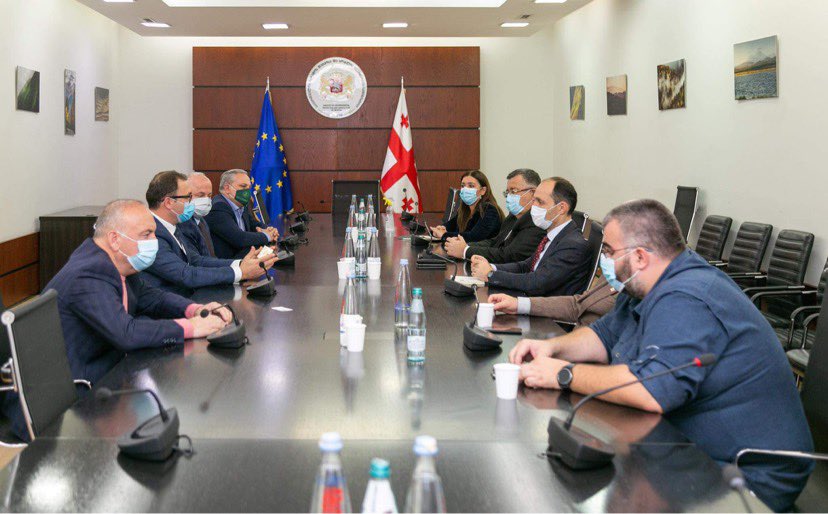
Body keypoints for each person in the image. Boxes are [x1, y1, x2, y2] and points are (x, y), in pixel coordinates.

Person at [508, 199, 813, 512]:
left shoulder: (687, 297)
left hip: (743, 473)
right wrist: (553, 348)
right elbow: (604, 335)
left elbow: (650, 389)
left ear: (640, 256)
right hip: (681, 444)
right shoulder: (645, 283)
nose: (604, 260)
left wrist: (564, 373)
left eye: (609, 251)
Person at [45, 199, 231, 383]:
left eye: (154, 233)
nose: (154, 241)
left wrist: (196, 309)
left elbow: (153, 298)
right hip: (84, 385)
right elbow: (126, 333)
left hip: (115, 366)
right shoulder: (89, 273)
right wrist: (192, 327)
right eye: (146, 234)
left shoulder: (119, 263)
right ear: (115, 239)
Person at [142, 170, 276, 295]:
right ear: (169, 202)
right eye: (188, 197)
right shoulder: (151, 234)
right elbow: (186, 275)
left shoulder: (173, 226)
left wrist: (241, 264)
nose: (191, 202)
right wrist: (241, 272)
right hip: (170, 303)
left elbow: (197, 260)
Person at [469, 177, 592, 297]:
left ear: (561, 208)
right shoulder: (553, 234)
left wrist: (490, 275)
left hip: (543, 307)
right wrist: (491, 267)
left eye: (540, 202)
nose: (534, 206)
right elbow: (526, 266)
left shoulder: (573, 244)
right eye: (534, 200)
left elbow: (537, 283)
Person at [444, 168, 545, 264]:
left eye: (513, 191)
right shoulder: (512, 217)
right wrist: (465, 245)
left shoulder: (536, 222)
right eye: (508, 192)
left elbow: (508, 255)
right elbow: (495, 242)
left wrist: (466, 250)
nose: (509, 196)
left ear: (533, 193)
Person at [488, 274, 616, 326]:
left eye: (609, 249)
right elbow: (577, 305)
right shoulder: (615, 271)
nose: (605, 256)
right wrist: (518, 304)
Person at [206, 169, 279, 259]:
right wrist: (267, 236)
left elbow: (254, 224)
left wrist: (269, 230)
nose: (247, 191)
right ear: (227, 188)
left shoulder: (240, 203)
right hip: (228, 263)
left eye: (249, 187)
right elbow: (239, 238)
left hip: (244, 256)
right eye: (243, 186)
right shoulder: (218, 208)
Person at [429, 170, 503, 243]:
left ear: (483, 190)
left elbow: (474, 237)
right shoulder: (464, 209)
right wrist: (439, 229)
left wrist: (444, 235)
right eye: (463, 186)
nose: (465, 189)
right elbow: (450, 225)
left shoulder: (490, 210)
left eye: (471, 186)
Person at [179, 171, 218, 257]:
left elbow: (210, 255)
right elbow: (196, 260)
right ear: (186, 195)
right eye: (201, 195)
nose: (206, 200)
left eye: (209, 196)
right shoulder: (183, 224)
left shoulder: (201, 221)